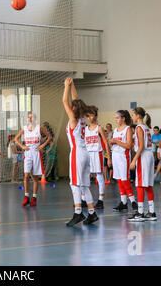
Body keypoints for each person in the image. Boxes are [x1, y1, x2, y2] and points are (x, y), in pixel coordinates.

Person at [62, 78, 98, 226]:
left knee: (75, 184)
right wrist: (72, 85)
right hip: (86, 153)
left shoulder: (74, 119)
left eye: (72, 106)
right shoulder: (82, 118)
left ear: (74, 109)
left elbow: (65, 101)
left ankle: (78, 213)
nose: (71, 106)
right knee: (84, 185)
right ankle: (92, 213)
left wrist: (66, 87)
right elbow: (76, 100)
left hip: (77, 153)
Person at [14, 112, 52, 207]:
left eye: (32, 118)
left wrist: (42, 145)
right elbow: (16, 139)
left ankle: (34, 197)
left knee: (35, 177)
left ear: (35, 119)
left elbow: (49, 137)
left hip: (36, 153)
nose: (30, 119)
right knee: (26, 175)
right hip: (27, 153)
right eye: (29, 118)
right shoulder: (25, 128)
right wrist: (22, 146)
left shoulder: (39, 128)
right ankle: (26, 196)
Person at [128, 107, 157, 221]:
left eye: (133, 115)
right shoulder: (146, 127)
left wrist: (134, 159)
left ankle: (140, 213)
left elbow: (141, 146)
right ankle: (151, 211)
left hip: (143, 156)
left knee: (139, 184)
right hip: (149, 156)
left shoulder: (139, 127)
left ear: (138, 116)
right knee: (148, 184)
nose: (132, 117)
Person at [109, 110, 138, 212]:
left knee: (125, 179)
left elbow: (129, 146)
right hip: (115, 155)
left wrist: (116, 141)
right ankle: (123, 202)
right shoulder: (116, 130)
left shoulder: (128, 129)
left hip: (123, 156)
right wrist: (112, 143)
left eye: (117, 117)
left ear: (123, 118)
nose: (116, 119)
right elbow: (116, 143)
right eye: (115, 117)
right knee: (119, 180)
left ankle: (133, 202)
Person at [85, 106, 111, 209]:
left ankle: (100, 201)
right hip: (88, 154)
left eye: (92, 115)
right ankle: (83, 199)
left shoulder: (99, 128)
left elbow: (105, 142)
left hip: (97, 153)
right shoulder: (85, 129)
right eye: (89, 115)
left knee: (99, 176)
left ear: (96, 116)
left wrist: (108, 157)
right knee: (85, 176)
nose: (91, 117)